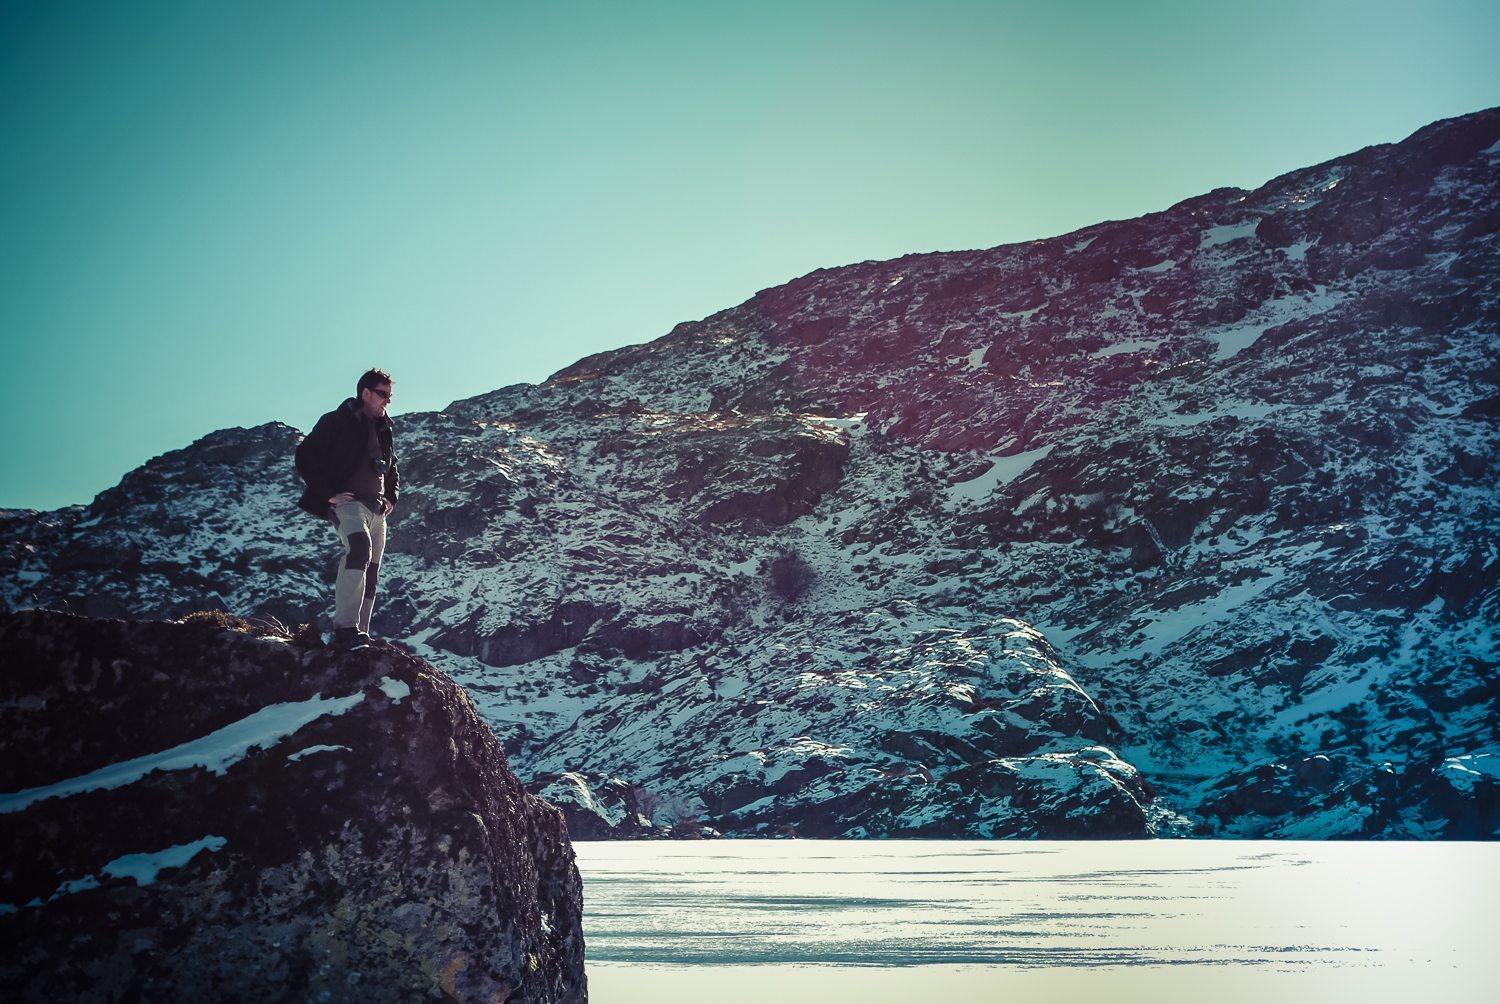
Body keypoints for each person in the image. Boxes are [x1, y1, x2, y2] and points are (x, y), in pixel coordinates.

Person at [295, 368, 400, 649]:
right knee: (358, 550)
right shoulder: (337, 421)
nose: (388, 401)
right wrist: (328, 493)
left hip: (377, 510)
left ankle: (360, 634)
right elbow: (306, 455)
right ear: (366, 393)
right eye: (383, 394)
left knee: (372, 569)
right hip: (349, 503)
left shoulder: (384, 427)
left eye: (390, 395)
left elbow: (392, 466)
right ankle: (345, 628)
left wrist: (391, 495)